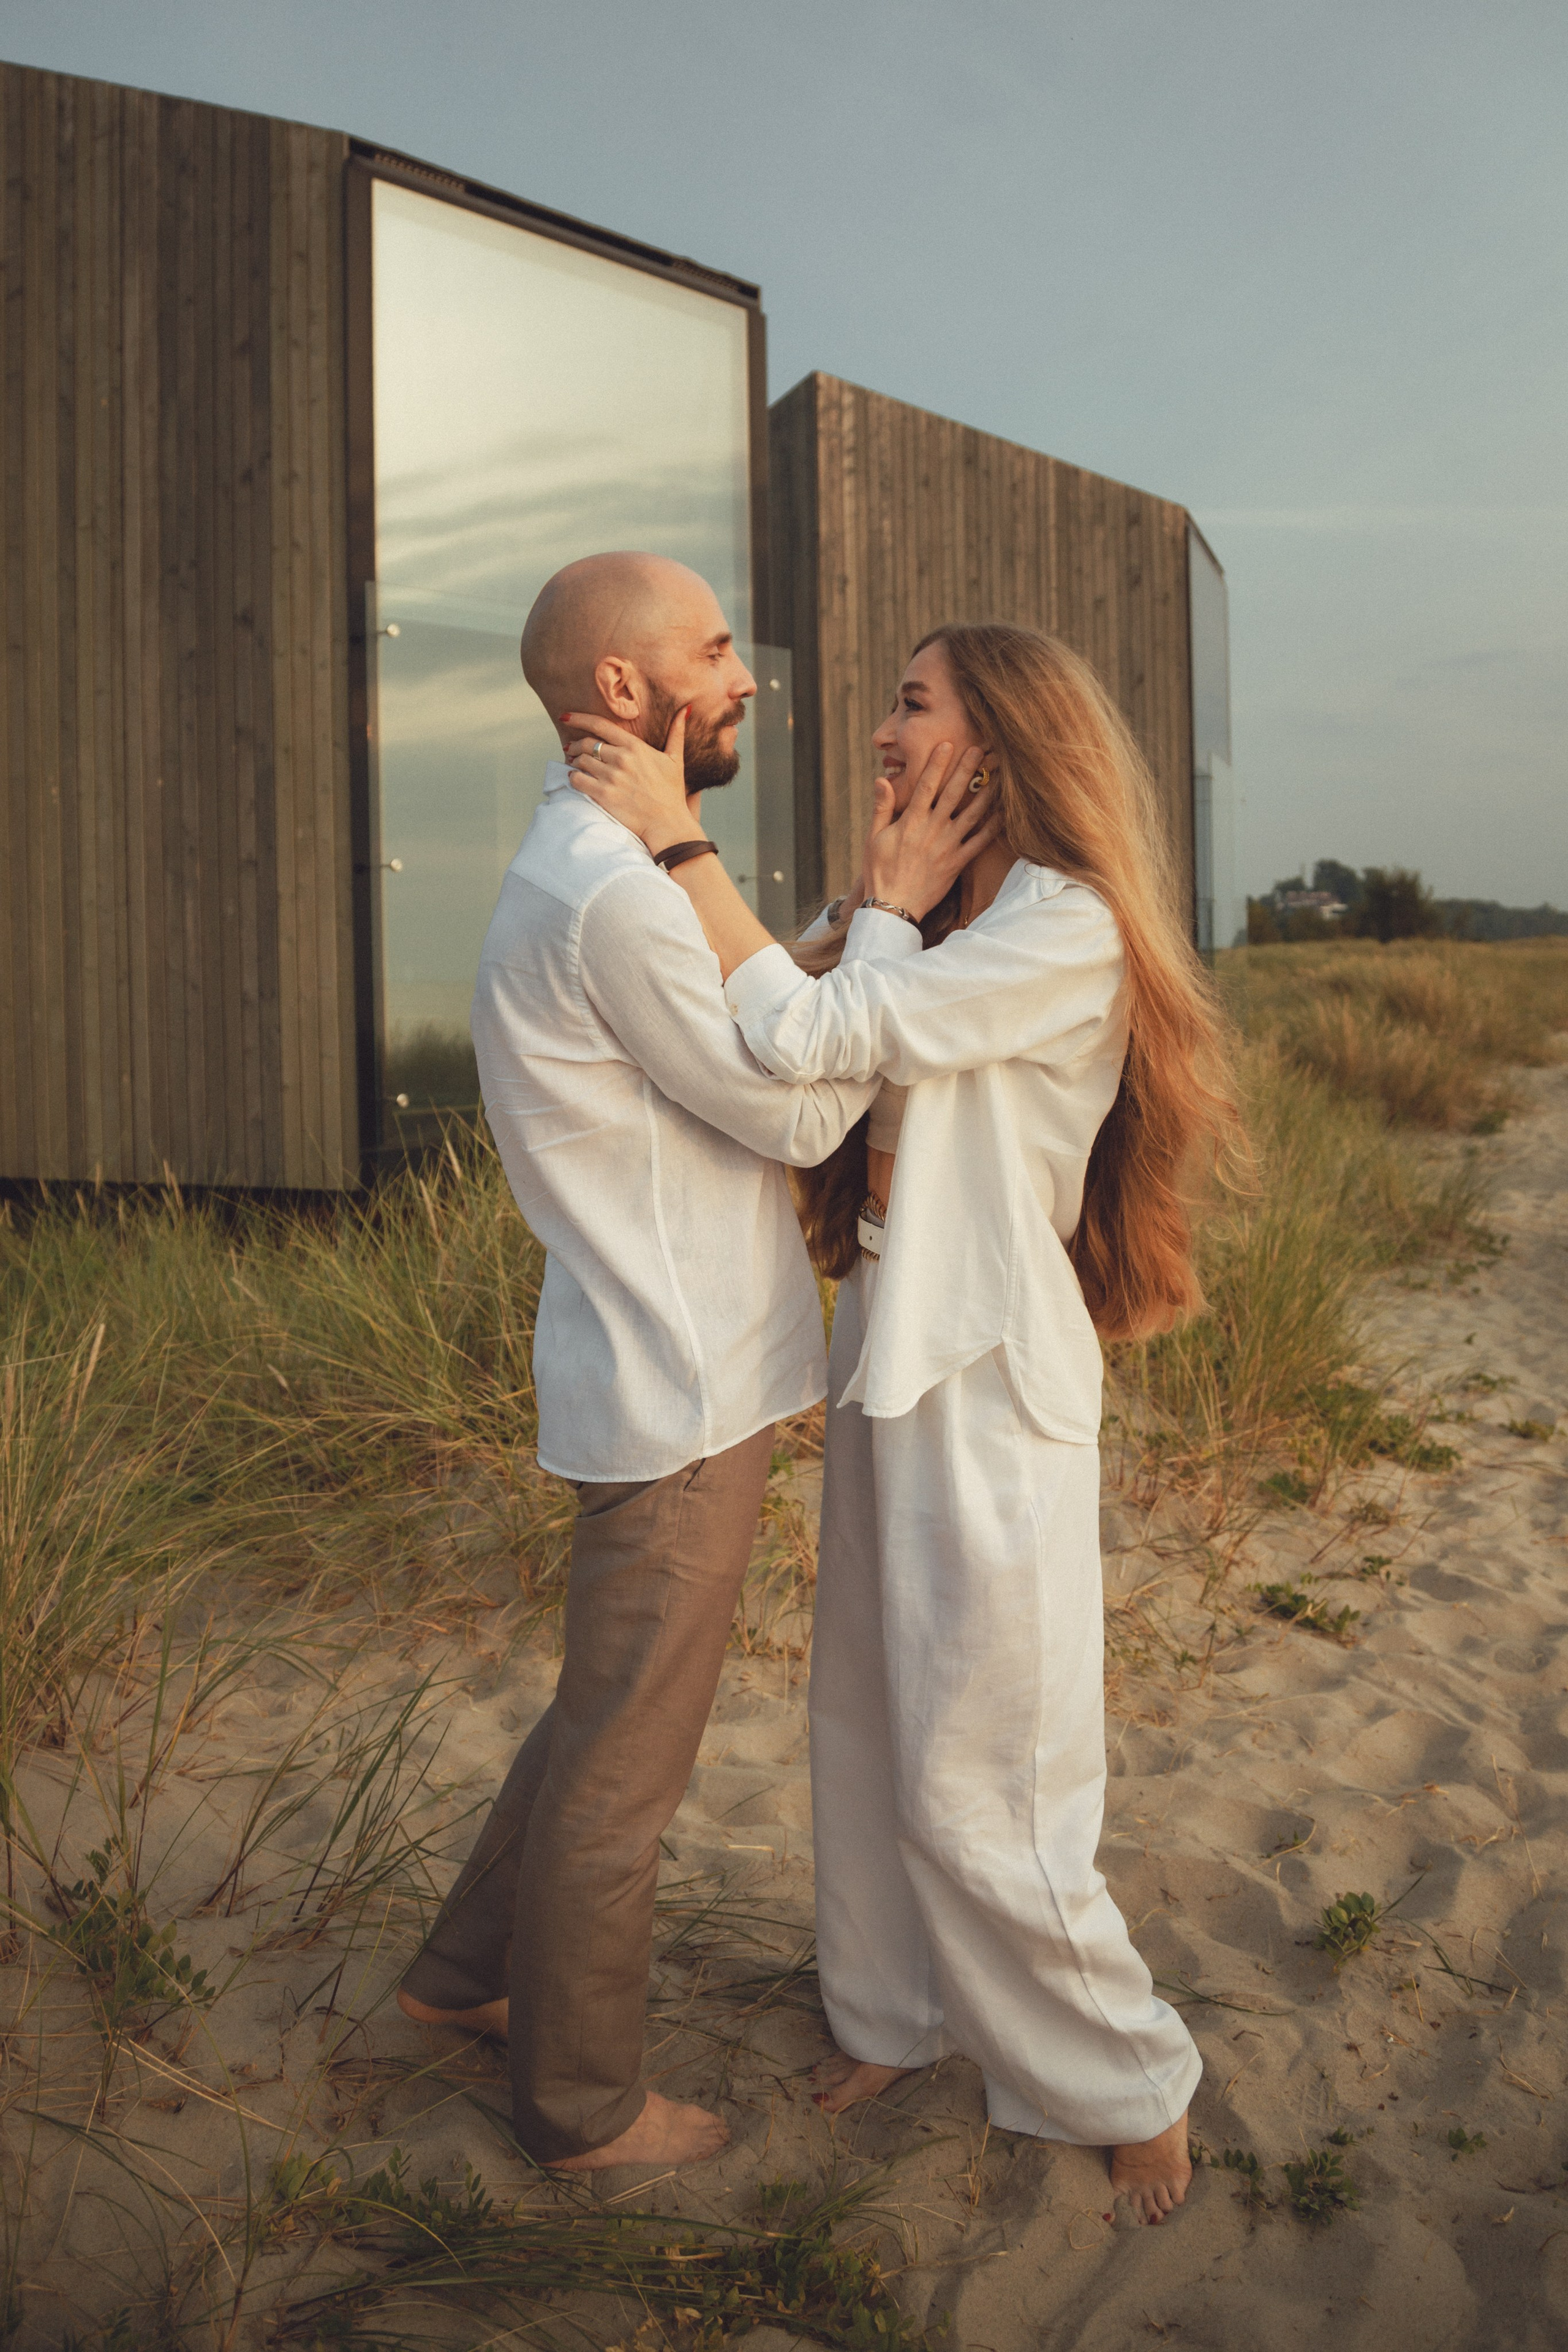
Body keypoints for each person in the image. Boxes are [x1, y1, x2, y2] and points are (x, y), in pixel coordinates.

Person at [566, 620, 1245, 2225]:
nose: (881, 730)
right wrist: (847, 910)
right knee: (866, 1722)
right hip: (889, 1339)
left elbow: (810, 1034)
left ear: (995, 744)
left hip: (993, 1377)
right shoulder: (942, 913)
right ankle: (892, 2012)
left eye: (911, 703)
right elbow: (761, 1008)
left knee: (988, 1765)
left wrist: (680, 838)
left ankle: (1124, 2074)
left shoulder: (1063, 928)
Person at [396, 551, 880, 2174]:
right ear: (625, 690)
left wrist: (833, 934)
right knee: (626, 1769)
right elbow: (804, 1108)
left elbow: (731, 1042)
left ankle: (463, 1979)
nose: (745, 679)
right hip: (679, 1394)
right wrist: (880, 974)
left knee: (596, 1716)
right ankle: (583, 2107)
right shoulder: (617, 888)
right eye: (717, 650)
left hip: (652, 1368)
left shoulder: (602, 866)